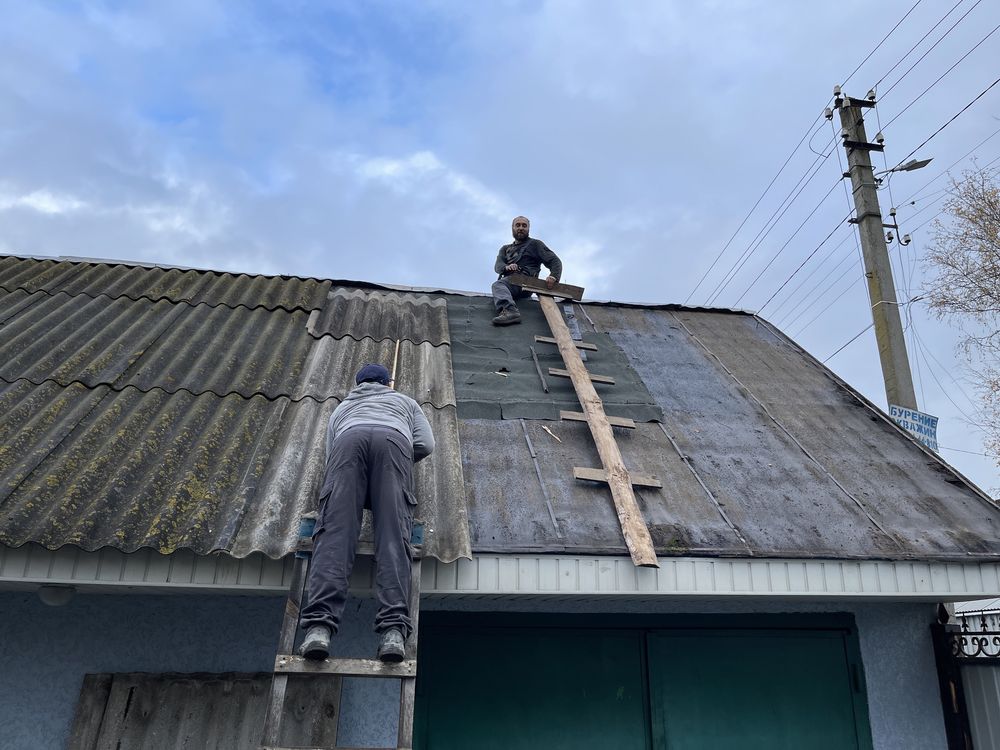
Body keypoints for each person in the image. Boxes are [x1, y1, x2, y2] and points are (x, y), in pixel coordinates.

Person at [299, 363, 435, 663]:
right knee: (392, 537)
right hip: (394, 444)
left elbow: (330, 457)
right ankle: (393, 634)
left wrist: (357, 485)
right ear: (388, 384)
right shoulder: (404, 401)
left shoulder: (342, 406)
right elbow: (426, 444)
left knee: (334, 534)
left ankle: (319, 629)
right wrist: (389, 468)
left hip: (347, 443)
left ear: (357, 384)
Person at [491, 216, 562, 326]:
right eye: (518, 225)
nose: (521, 228)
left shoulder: (535, 244)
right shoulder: (505, 249)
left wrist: (554, 276)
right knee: (501, 286)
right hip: (510, 283)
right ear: (512, 228)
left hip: (525, 282)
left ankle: (510, 312)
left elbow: (554, 261)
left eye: (524, 226)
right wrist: (507, 267)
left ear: (528, 229)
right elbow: (498, 266)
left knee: (498, 285)